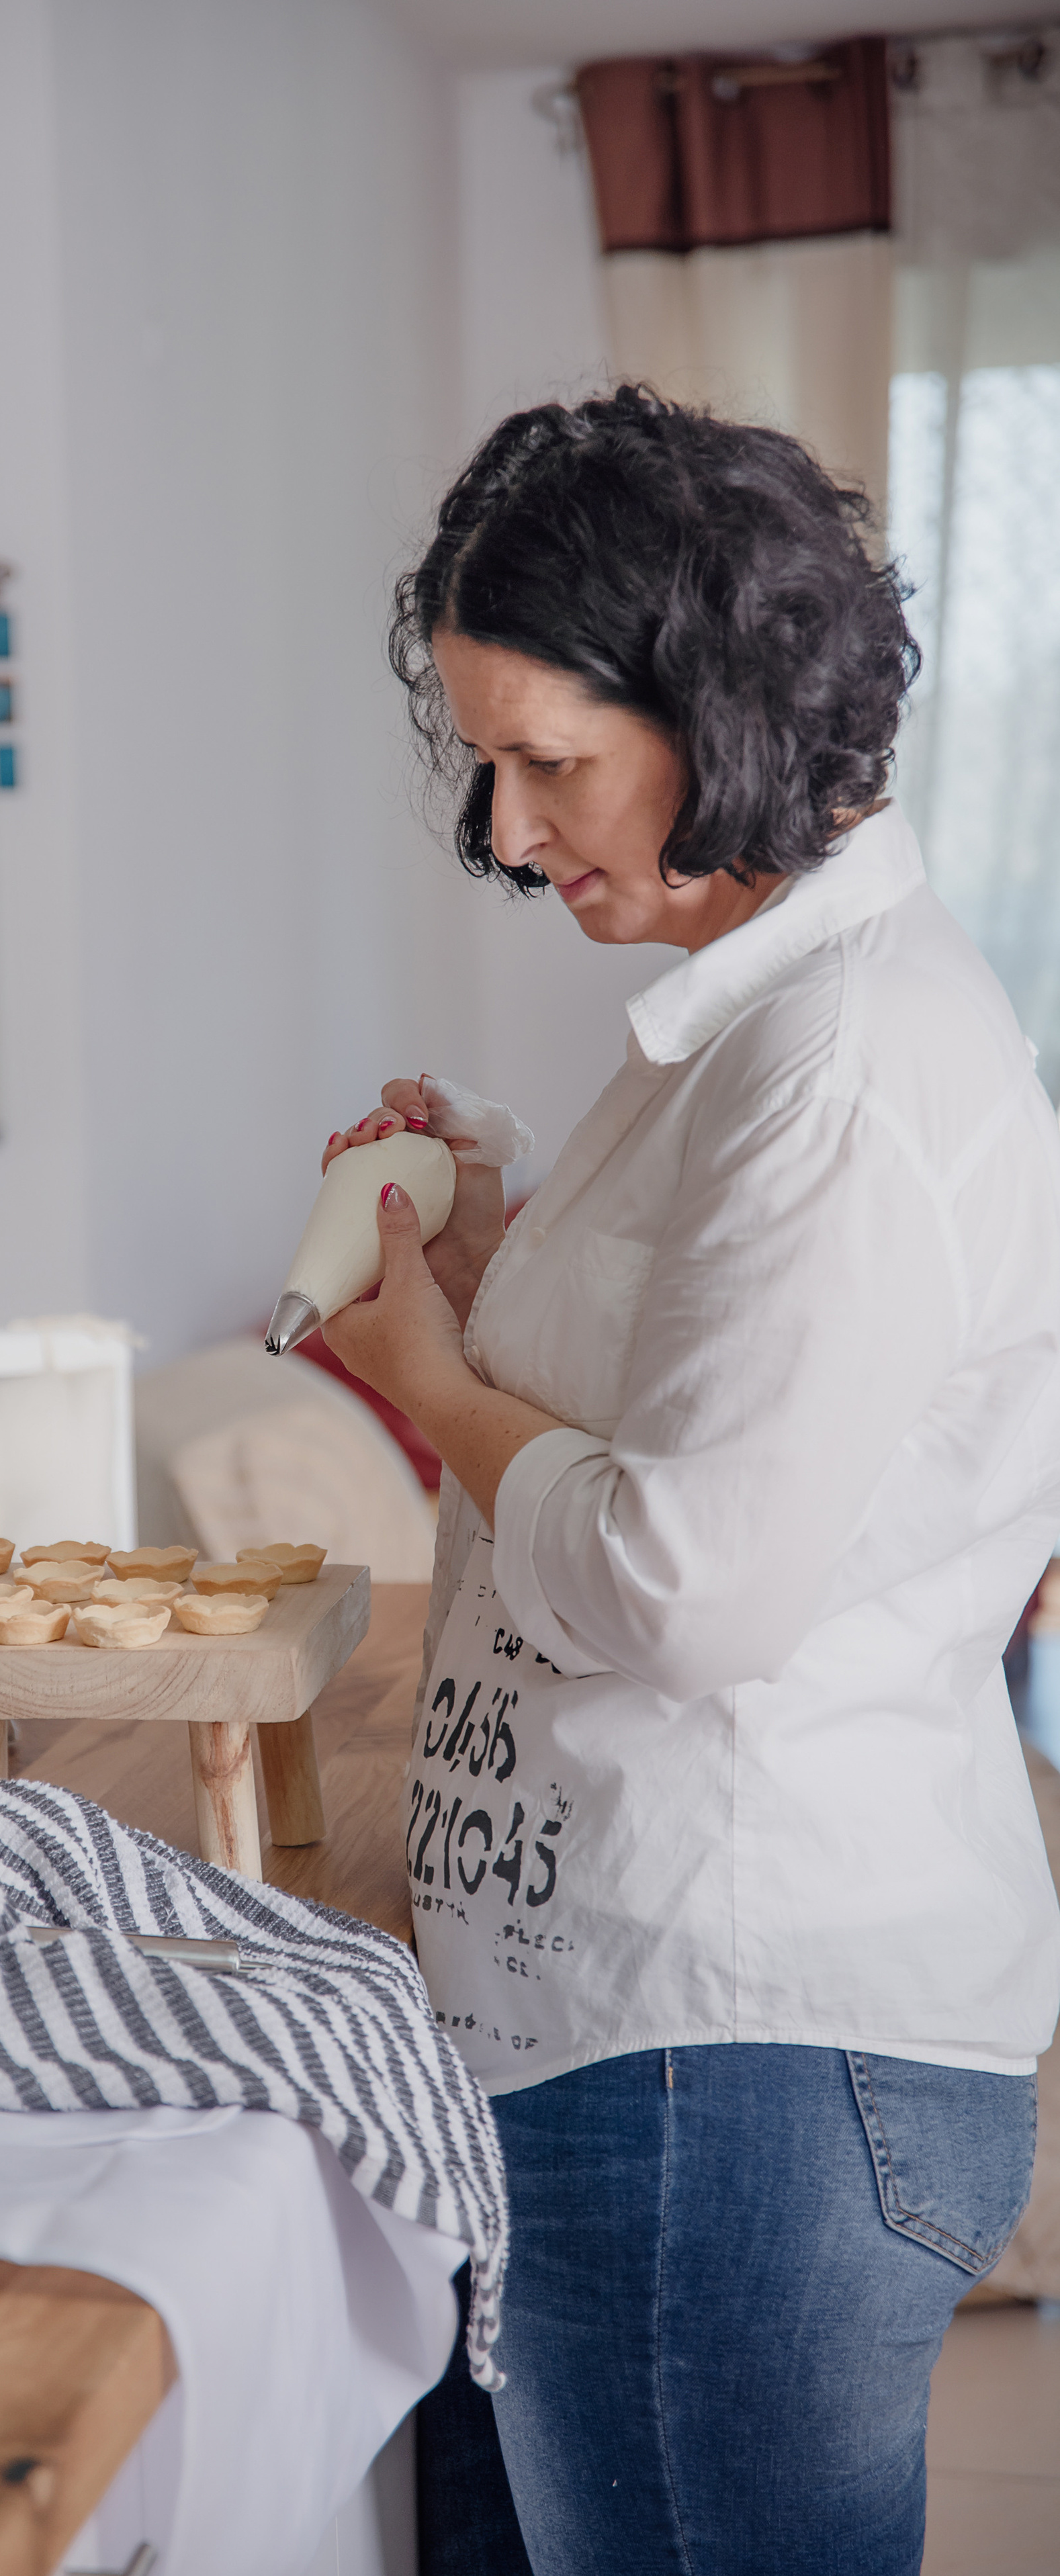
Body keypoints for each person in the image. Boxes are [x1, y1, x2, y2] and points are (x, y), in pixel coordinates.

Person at [321, 386, 1060, 2576]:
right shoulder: (773, 1020)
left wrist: (431, 1378)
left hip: (728, 2064)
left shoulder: (830, 1067)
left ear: (717, 704)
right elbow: (731, 1376)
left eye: (550, 756)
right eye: (485, 758)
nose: (511, 822)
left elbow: (689, 1577)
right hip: (675, 2042)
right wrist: (497, 1229)